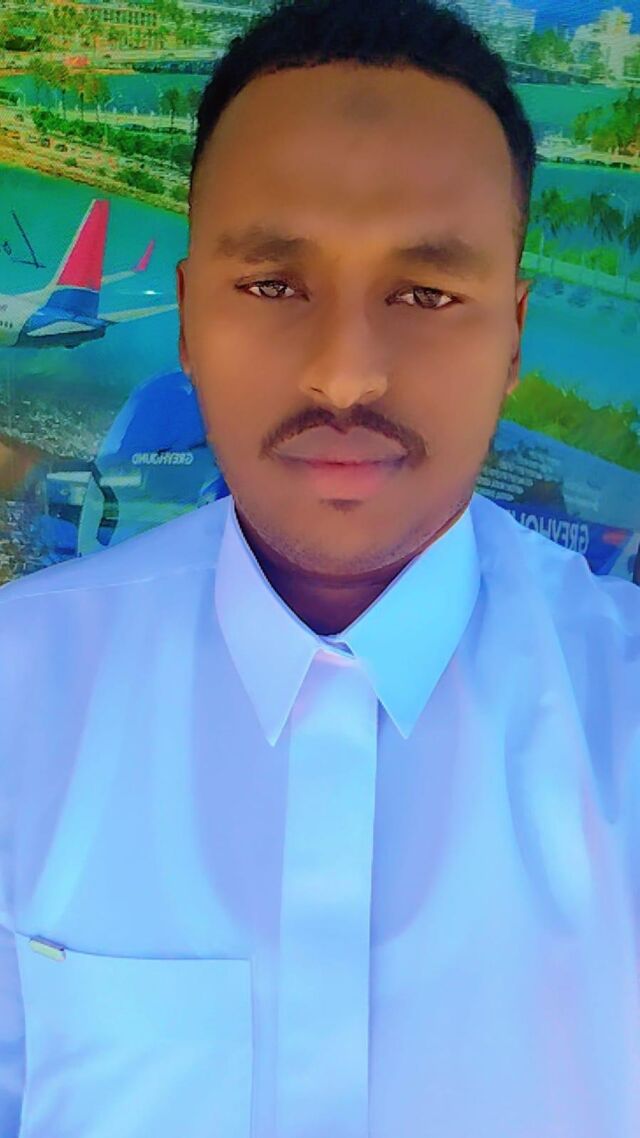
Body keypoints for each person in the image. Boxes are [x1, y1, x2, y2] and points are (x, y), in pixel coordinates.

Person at [1, 1, 640, 1136]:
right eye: (272, 286)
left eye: (427, 295)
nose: (346, 375)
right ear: (186, 320)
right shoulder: (18, 697)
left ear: (513, 340)